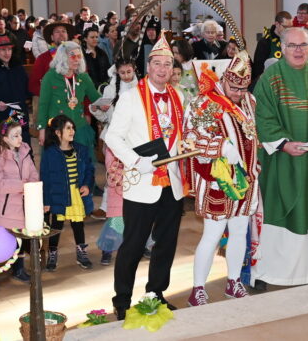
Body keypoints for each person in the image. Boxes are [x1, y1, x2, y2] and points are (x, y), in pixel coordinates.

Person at [251, 27, 308, 287]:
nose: (298, 50)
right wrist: (283, 144)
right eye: (292, 45)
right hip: (282, 159)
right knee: (279, 210)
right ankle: (271, 273)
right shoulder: (271, 78)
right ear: (283, 48)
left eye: (303, 45)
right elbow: (263, 116)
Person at [105, 37, 187, 318]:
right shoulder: (130, 98)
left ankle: (156, 294)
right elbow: (113, 137)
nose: (163, 69)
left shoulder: (179, 96)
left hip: (172, 183)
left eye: (168, 64)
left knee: (166, 243)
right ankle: (122, 300)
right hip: (142, 183)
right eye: (157, 64)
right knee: (133, 244)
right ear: (148, 67)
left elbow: (180, 136)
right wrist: (136, 162)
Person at [183, 51, 260, 306]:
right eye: (234, 87)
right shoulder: (203, 102)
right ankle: (198, 289)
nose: (238, 93)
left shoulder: (249, 100)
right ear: (225, 79)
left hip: (245, 179)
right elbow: (191, 139)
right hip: (216, 182)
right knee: (213, 234)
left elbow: (252, 133)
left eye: (242, 88)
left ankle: (234, 281)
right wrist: (221, 147)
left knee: (239, 231)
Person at [90, 58, 138, 265]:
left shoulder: (142, 88)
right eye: (122, 73)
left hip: (136, 144)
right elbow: (104, 118)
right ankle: (109, 245)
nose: (126, 76)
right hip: (115, 146)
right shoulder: (111, 90)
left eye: (129, 72)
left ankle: (140, 244)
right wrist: (98, 110)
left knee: (138, 200)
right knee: (117, 197)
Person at [40, 115, 96, 271]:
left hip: (76, 194)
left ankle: (81, 252)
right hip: (59, 194)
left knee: (78, 224)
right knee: (56, 226)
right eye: (68, 128)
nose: (72, 131)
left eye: (73, 128)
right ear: (58, 132)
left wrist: (87, 185)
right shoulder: (50, 153)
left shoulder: (80, 149)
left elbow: (90, 170)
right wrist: (46, 201)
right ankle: (52, 253)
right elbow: (45, 178)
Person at [0, 115, 37, 282]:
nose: (20, 138)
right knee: (1, 238)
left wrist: (31, 186)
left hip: (23, 205)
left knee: (19, 239)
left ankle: (18, 269)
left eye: (20, 134)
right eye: (15, 136)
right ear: (5, 138)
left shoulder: (24, 153)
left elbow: (33, 174)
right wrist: (22, 185)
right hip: (5, 206)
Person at [35, 42, 103, 149]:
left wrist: (111, 98)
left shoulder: (83, 77)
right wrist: (41, 130)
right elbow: (43, 105)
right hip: (58, 131)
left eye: (79, 56)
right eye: (73, 56)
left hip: (79, 130)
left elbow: (96, 98)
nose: (77, 60)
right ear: (63, 57)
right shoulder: (50, 77)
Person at [28, 21, 74, 97]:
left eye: (64, 31)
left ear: (67, 36)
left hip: (74, 98)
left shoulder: (75, 55)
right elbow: (33, 85)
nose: (61, 34)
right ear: (52, 37)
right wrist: (50, 95)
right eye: (57, 32)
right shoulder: (42, 59)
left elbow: (84, 80)